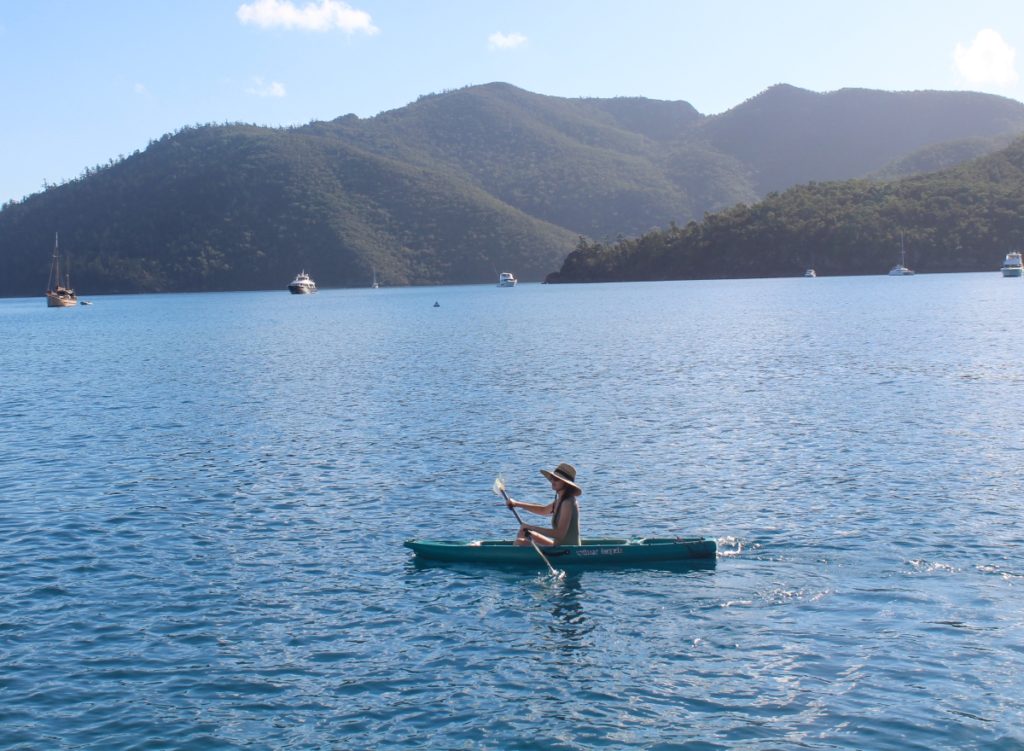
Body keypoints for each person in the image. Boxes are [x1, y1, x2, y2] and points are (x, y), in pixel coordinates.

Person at [506, 462, 582, 547]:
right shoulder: (560, 500)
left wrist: (531, 527)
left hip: (568, 551)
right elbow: (543, 510)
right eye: (552, 478)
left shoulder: (567, 503)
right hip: (557, 546)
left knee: (519, 543)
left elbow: (559, 534)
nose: (552, 481)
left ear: (566, 483)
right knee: (523, 533)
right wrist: (516, 504)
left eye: (556, 479)